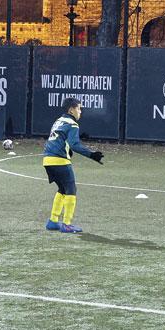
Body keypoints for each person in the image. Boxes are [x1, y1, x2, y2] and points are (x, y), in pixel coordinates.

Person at [43, 98, 104, 233]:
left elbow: (58, 140)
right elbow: (74, 144)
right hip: (59, 160)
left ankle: (53, 221)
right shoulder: (72, 124)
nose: (80, 112)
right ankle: (67, 224)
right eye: (79, 108)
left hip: (47, 160)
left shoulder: (58, 121)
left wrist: (67, 150)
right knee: (71, 189)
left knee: (62, 189)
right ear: (71, 109)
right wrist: (92, 154)